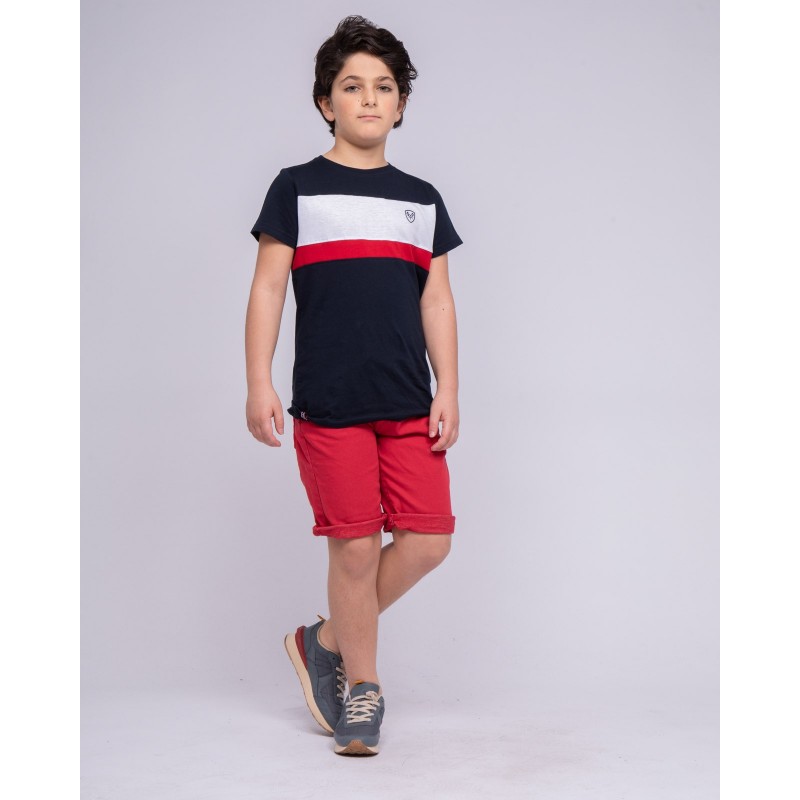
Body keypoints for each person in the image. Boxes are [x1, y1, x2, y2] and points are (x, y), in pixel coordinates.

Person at [245, 14, 463, 757]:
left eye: (384, 87)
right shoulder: (297, 188)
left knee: (428, 540)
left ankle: (325, 640)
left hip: (407, 401)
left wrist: (448, 387)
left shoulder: (421, 199)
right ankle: (363, 687)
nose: (369, 98)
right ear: (325, 102)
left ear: (400, 104)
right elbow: (268, 289)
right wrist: (258, 381)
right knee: (356, 548)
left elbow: (437, 300)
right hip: (331, 404)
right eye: (351, 86)